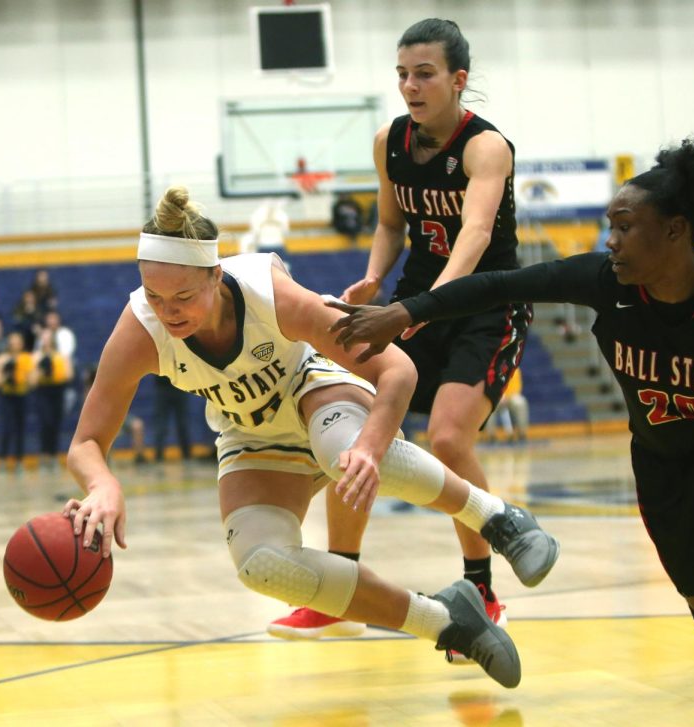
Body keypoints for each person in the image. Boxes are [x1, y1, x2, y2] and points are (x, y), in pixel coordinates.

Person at [324, 138, 694, 721]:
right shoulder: (605, 282)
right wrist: (409, 310)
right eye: (610, 227)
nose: (612, 241)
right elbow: (499, 286)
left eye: (625, 227)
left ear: (675, 231)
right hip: (664, 455)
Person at [62, 185, 559, 690]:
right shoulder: (140, 330)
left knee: (346, 455)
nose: (169, 311)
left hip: (315, 389)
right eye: (155, 297)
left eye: (184, 296)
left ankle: (495, 516)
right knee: (261, 566)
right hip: (249, 433)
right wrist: (102, 485)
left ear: (216, 275)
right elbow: (85, 443)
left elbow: (399, 371)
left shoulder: (270, 295)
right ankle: (448, 620)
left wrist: (370, 446)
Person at [268, 19, 533, 659]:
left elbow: (472, 235)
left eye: (425, 73)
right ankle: (341, 590)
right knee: (350, 426)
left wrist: (420, 306)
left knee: (446, 437)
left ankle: (481, 588)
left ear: (457, 79)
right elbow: (390, 222)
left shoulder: (486, 148)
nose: (410, 86)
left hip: (484, 302)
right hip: (414, 294)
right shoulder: (390, 140)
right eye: (403, 74)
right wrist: (371, 278)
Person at [0, 331, 35, 472]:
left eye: (17, 342)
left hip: (21, 396)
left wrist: (22, 376)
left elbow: (33, 381)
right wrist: (6, 375)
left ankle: (19, 462)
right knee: (6, 428)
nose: (14, 345)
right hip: (7, 397)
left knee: (20, 429)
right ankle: (3, 461)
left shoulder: (26, 358)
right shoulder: (3, 359)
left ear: (21, 344)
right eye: (12, 342)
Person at [33, 328, 74, 469]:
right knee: (45, 422)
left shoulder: (61, 356)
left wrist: (55, 372)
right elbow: (32, 380)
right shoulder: (37, 356)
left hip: (57, 391)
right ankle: (44, 456)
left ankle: (54, 456)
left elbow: (69, 374)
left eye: (48, 337)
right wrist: (42, 371)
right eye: (43, 337)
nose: (46, 339)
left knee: (55, 423)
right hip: (43, 391)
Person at [152, 375, 192, 462]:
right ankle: (158, 454)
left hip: (179, 387)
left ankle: (187, 454)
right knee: (161, 424)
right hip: (163, 387)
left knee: (182, 424)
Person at [484, 367, 528, 444]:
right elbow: (489, 386)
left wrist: (507, 396)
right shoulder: (491, 368)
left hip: (511, 396)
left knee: (520, 402)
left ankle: (522, 434)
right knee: (488, 405)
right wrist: (498, 396)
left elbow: (517, 387)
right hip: (495, 398)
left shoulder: (515, 369)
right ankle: (491, 436)